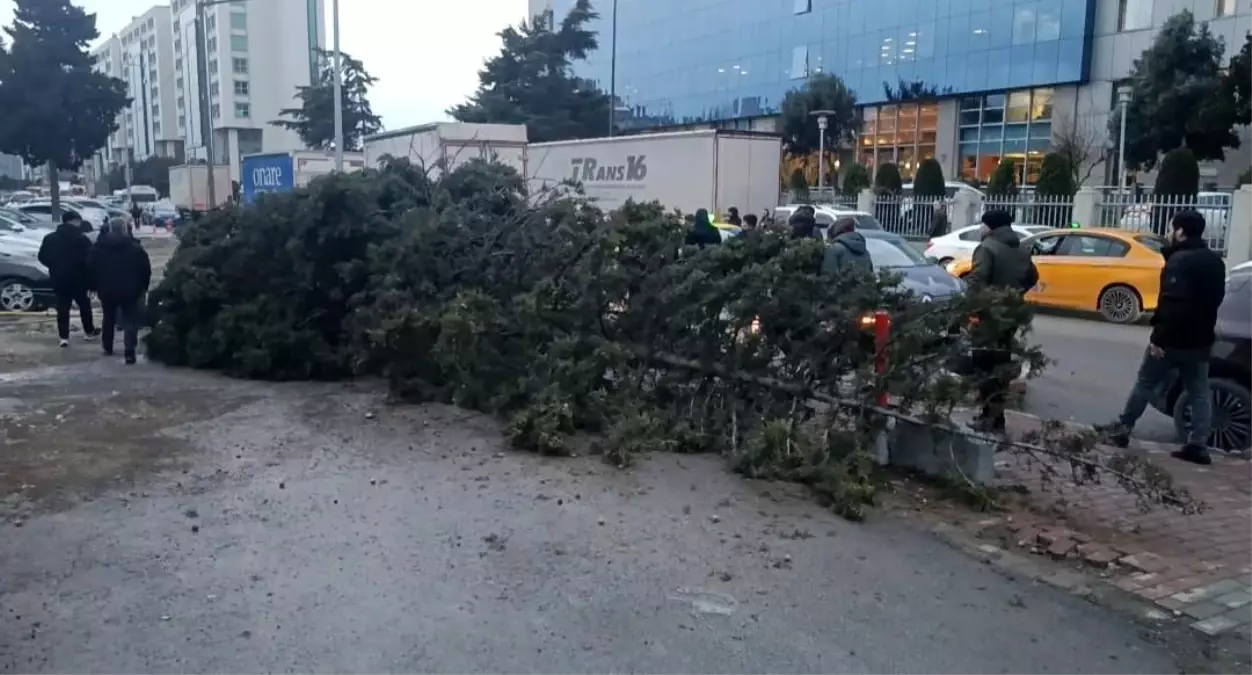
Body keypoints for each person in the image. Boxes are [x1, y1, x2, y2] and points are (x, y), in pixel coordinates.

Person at [1100, 210, 1225, 465]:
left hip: (1174, 340)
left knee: (1145, 382)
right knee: (1199, 392)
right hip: (1201, 339)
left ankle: (1122, 430)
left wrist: (1159, 339)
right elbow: (1215, 299)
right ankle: (1198, 445)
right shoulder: (1215, 261)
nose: (1169, 233)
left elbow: (1173, 304)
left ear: (1180, 231)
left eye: (1171, 228)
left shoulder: (1180, 261)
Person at [966, 209, 1039, 432]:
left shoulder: (987, 248)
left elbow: (977, 281)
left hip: (989, 315)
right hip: (1011, 314)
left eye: (983, 224)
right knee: (1000, 364)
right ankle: (997, 418)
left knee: (984, 366)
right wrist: (1015, 294)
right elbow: (1032, 276)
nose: (981, 228)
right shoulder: (1020, 249)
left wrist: (969, 307)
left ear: (990, 226)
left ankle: (989, 417)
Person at [90, 217, 152, 365]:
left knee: (108, 317)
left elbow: (91, 268)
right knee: (130, 319)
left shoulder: (99, 247)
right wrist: (143, 286)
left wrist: (94, 285)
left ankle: (107, 346)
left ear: (110, 229)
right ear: (125, 229)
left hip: (107, 289)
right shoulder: (135, 247)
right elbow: (145, 269)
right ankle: (129, 351)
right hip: (130, 289)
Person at [37, 211, 98, 348]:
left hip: (59, 278)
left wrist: (54, 266)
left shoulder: (50, 238)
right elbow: (90, 260)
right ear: (73, 221)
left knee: (62, 308)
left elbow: (42, 257)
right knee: (84, 306)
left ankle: (63, 336)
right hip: (79, 279)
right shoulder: (82, 239)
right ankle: (89, 331)